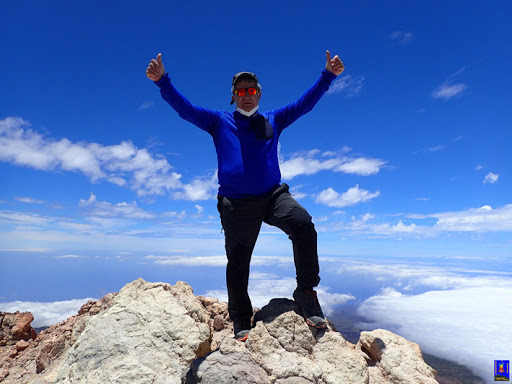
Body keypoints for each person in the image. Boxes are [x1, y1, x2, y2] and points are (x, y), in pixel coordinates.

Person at [146, 51, 344, 341]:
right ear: (234, 96)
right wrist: (162, 81)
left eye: (251, 90)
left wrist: (327, 76)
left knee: (303, 224)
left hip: (273, 195)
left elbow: (304, 104)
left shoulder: (274, 119)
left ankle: (306, 291)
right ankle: (240, 318)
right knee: (238, 261)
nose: (246, 95)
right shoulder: (218, 121)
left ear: (259, 94)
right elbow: (185, 109)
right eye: (241, 91)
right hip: (236, 203)